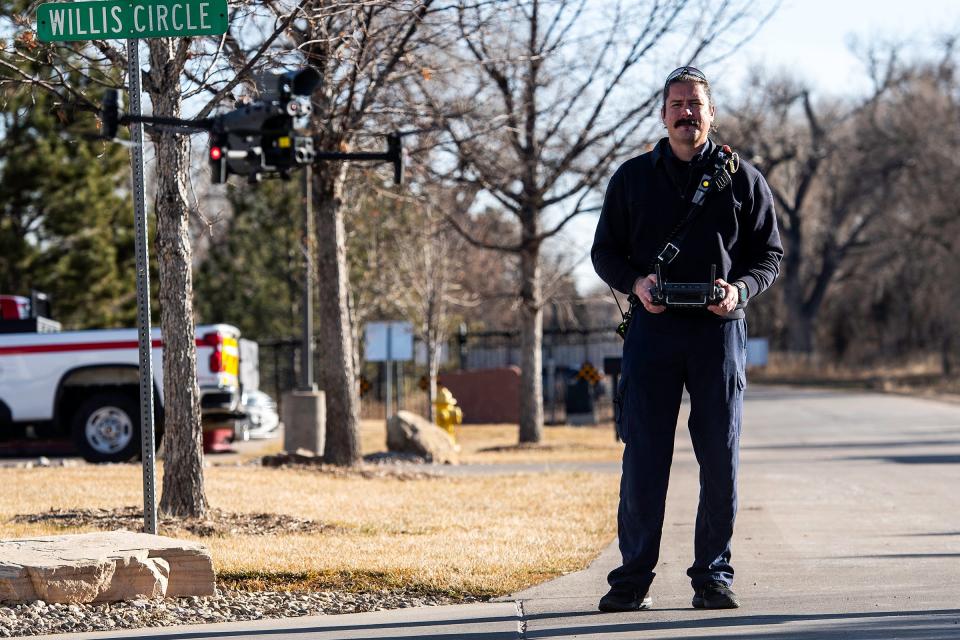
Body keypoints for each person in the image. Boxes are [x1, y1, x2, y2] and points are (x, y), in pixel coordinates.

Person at [591, 66, 783, 612]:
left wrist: (739, 291)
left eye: (695, 103)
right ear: (663, 113)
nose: (685, 112)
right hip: (652, 332)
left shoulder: (743, 178)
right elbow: (604, 251)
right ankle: (631, 580)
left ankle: (713, 576)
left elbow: (769, 254)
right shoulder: (631, 178)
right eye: (676, 103)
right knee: (644, 459)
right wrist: (636, 283)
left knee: (719, 459)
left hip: (718, 334)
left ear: (711, 113)